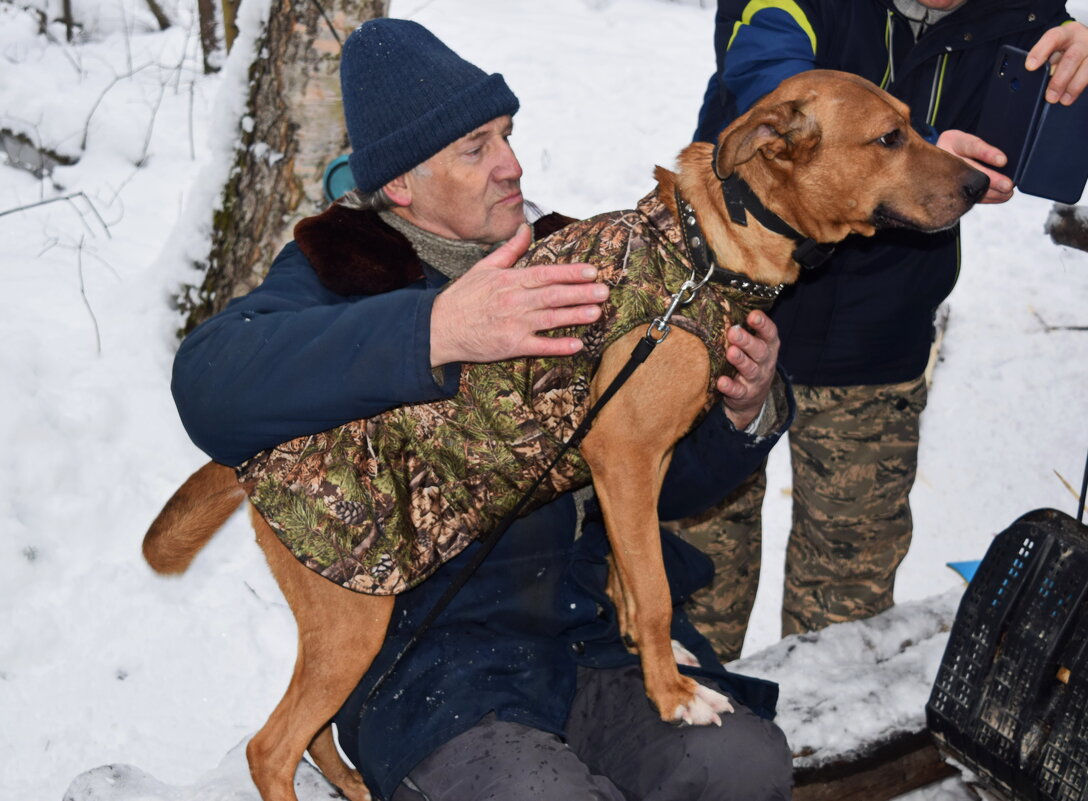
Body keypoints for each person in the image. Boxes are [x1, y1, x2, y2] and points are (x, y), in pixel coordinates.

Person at [171, 18, 795, 801]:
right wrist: (435, 328)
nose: (513, 164)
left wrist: (743, 409)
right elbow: (209, 381)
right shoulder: (338, 271)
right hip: (438, 667)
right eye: (476, 148)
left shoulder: (578, 257)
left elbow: (655, 477)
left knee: (743, 767)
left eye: (506, 134)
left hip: (584, 636)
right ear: (401, 184)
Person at [673, 0, 1088, 658]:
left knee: (843, 618)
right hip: (726, 322)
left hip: (875, 340)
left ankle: (817, 756)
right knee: (691, 588)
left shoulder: (1021, 15)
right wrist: (905, 158)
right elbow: (767, 74)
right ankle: (677, 747)